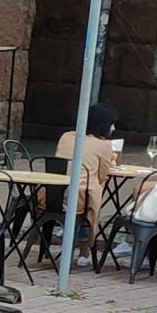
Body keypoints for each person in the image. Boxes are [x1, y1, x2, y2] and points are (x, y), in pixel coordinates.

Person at [47, 103, 119, 255]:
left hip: (51, 194)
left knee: (87, 192)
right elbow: (101, 175)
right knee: (91, 198)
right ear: (103, 124)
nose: (113, 129)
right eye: (111, 124)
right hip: (79, 197)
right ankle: (84, 250)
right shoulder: (104, 145)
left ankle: (67, 232)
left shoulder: (66, 136)